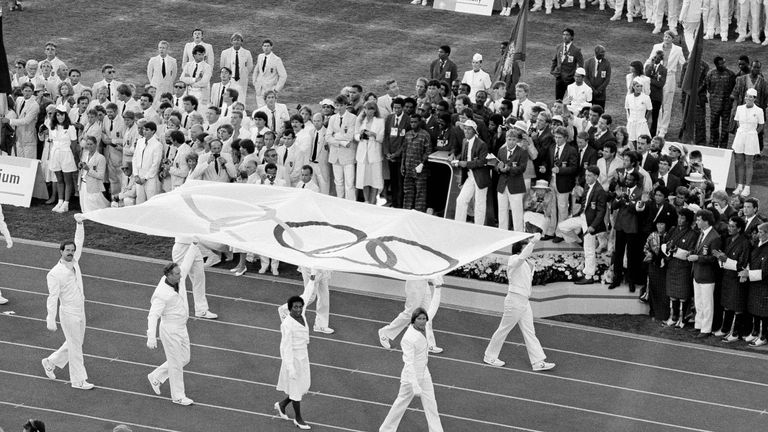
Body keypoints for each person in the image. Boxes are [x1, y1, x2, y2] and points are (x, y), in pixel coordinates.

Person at [483, 233, 556, 370]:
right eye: (526, 246)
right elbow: (522, 257)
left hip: (524, 301)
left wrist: (532, 266)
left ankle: (537, 362)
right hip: (514, 300)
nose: (528, 248)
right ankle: (489, 356)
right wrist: (533, 242)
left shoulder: (527, 263)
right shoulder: (513, 259)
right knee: (504, 329)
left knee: (530, 331)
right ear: (520, 248)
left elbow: (526, 276)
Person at [147, 243, 203, 406]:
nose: (181, 275)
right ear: (169, 275)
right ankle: (178, 396)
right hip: (170, 330)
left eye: (180, 273)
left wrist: (194, 245)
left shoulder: (179, 278)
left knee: (184, 358)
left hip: (182, 327)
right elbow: (153, 315)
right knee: (176, 363)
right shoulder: (161, 294)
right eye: (177, 274)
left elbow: (186, 264)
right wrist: (151, 336)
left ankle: (156, 376)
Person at [42, 215, 94, 390]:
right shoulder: (54, 273)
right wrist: (51, 318)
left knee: (76, 343)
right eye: (67, 250)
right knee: (75, 348)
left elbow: (79, 240)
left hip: (81, 309)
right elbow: (52, 297)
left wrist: (79, 224)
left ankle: (51, 361)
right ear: (61, 252)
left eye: (72, 250)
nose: (71, 252)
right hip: (69, 313)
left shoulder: (76, 262)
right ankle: (78, 381)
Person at [379, 304, 444, 432]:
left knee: (431, 405)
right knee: (401, 403)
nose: (422, 321)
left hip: (425, 373)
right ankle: (386, 429)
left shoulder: (423, 327)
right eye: (419, 319)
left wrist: (438, 289)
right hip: (410, 378)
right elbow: (408, 363)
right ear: (413, 320)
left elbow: (433, 308)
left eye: (424, 319)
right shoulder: (408, 339)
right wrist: (415, 385)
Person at [559, 166, 607, 284]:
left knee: (589, 249)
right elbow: (584, 203)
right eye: (586, 175)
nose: (586, 178)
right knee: (562, 226)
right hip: (583, 217)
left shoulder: (599, 190)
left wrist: (593, 226)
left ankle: (589, 275)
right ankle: (578, 240)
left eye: (589, 175)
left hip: (590, 222)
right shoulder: (587, 186)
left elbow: (601, 211)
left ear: (596, 177)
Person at [275, 296, 312, 430]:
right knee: (296, 389)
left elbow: (307, 295)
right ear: (290, 308)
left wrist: (313, 279)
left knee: (303, 386)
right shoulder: (287, 324)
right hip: (293, 359)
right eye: (295, 307)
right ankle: (298, 418)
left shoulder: (302, 315)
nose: (298, 309)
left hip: (304, 356)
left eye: (300, 306)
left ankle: (282, 405)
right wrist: (290, 368)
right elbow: (286, 347)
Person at [713, 215, 751, 342]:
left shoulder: (745, 243)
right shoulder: (728, 240)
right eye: (729, 226)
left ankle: (734, 333)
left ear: (739, 229)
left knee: (737, 306)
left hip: (737, 280)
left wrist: (725, 259)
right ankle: (725, 329)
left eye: (733, 226)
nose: (729, 228)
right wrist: (721, 259)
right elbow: (723, 259)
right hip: (727, 278)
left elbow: (742, 264)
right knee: (727, 305)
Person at [689, 210, 722, 337]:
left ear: (706, 221)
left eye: (698, 220)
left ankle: (706, 329)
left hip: (707, 275)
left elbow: (714, 258)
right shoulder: (702, 233)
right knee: (698, 301)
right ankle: (699, 325)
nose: (696, 222)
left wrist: (697, 258)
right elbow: (698, 250)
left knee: (707, 303)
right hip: (697, 274)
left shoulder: (715, 237)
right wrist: (692, 253)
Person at [647, 31, 686, 137]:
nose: (666, 39)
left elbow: (683, 64)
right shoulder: (656, 47)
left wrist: (683, 78)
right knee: (657, 102)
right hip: (657, 77)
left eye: (668, 37)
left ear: (672, 39)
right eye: (665, 37)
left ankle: (664, 129)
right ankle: (658, 126)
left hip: (669, 76)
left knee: (667, 104)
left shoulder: (678, 50)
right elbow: (650, 60)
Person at [453, 119, 490, 225]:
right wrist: (459, 162)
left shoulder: (481, 144)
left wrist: (466, 164)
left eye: (469, 129)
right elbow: (464, 159)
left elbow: (483, 161)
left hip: (481, 177)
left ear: (474, 131)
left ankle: (479, 228)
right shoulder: (465, 141)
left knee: (479, 204)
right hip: (470, 176)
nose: (466, 131)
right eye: (465, 129)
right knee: (461, 200)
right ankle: (458, 225)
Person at [278, 268, 334, 334]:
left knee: (324, 295)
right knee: (310, 296)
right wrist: (313, 275)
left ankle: (321, 325)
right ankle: (285, 308)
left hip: (324, 267)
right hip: (312, 268)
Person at [731, 88, 763, 198]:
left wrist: (753, 134)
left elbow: (761, 125)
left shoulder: (759, 110)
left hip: (751, 137)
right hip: (740, 136)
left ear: (754, 98)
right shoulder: (739, 108)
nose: (748, 98)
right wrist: (742, 132)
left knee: (749, 162)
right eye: (747, 96)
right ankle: (739, 185)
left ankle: (747, 187)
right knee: (739, 161)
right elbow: (738, 122)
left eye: (750, 97)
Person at [47, 104, 78, 213]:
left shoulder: (71, 128)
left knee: (67, 180)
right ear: (56, 116)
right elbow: (52, 141)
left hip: (66, 154)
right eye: (58, 115)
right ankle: (60, 201)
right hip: (55, 154)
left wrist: (73, 156)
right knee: (59, 179)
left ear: (66, 116)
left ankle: (66, 203)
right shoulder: (52, 127)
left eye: (62, 115)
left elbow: (74, 144)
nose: (60, 117)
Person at [354, 101, 385, 203]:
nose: (368, 111)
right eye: (366, 109)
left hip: (374, 154)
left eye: (370, 109)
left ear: (375, 110)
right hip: (363, 154)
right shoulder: (361, 120)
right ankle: (367, 201)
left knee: (374, 179)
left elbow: (382, 138)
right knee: (364, 179)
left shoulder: (380, 121)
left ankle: (373, 201)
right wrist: (361, 136)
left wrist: (373, 134)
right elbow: (355, 135)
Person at [400, 113, 431, 212]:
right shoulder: (408, 134)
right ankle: (406, 211)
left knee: (420, 193)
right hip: (408, 168)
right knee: (408, 191)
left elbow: (428, 151)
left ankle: (419, 213)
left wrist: (422, 163)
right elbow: (404, 150)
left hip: (420, 169)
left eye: (415, 122)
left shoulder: (425, 135)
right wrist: (402, 165)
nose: (413, 124)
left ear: (420, 122)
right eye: (411, 122)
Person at [743, 223, 768, 346]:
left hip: (764, 285)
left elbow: (765, 272)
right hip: (754, 284)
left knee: (763, 312)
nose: (758, 234)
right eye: (758, 232)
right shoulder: (756, 245)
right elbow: (750, 261)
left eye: (761, 232)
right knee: (754, 309)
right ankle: (755, 332)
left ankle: (763, 336)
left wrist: (748, 274)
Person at [706, 56, 736, 149]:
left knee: (725, 127)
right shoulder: (710, 74)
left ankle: (723, 145)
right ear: (716, 65)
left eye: (724, 63)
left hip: (726, 105)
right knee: (713, 125)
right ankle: (713, 144)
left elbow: (733, 88)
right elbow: (709, 87)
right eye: (721, 63)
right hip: (714, 105)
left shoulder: (730, 74)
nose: (723, 65)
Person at [132, 121, 163, 204]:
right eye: (144, 129)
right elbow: (135, 158)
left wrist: (145, 178)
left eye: (147, 130)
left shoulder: (157, 145)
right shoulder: (140, 142)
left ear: (153, 131)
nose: (144, 131)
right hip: (139, 176)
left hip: (150, 178)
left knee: (151, 201)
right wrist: (136, 175)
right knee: (139, 201)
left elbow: (155, 164)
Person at [78, 135, 109, 212]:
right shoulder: (85, 155)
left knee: (95, 209)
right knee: (84, 209)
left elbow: (101, 176)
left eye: (91, 144)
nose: (89, 146)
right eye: (88, 144)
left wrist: (88, 170)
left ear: (96, 144)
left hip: (93, 186)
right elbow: (82, 169)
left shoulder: (100, 158)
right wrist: (80, 166)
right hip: (83, 184)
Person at [252, 39, 287, 108]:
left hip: (270, 90)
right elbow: (256, 70)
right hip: (259, 89)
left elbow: (283, 76)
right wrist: (254, 82)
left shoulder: (277, 59)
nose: (266, 48)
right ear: (262, 47)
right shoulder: (260, 56)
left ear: (271, 47)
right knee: (260, 109)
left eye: (268, 46)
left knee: (270, 109)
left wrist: (276, 89)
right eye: (264, 46)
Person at [550, 28, 583, 100]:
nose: (565, 36)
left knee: (571, 100)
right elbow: (555, 59)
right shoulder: (559, 47)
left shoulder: (576, 50)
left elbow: (581, 65)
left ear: (572, 37)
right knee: (558, 99)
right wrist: (552, 70)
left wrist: (576, 76)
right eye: (563, 34)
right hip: (559, 77)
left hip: (570, 79)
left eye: (567, 35)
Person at [219, 32, 253, 103]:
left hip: (242, 79)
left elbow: (250, 66)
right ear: (231, 41)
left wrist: (244, 73)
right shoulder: (225, 52)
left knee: (242, 97)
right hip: (230, 79)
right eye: (234, 40)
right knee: (229, 96)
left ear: (241, 42)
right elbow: (222, 66)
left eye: (238, 40)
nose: (236, 42)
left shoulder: (247, 53)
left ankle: (241, 111)